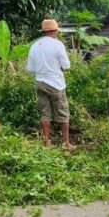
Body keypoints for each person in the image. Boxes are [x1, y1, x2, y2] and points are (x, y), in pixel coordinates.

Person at [26, 19, 75, 150]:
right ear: (54, 31)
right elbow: (66, 66)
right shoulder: (57, 45)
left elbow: (30, 68)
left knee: (45, 113)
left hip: (40, 83)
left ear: (44, 31)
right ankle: (65, 143)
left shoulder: (35, 45)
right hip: (56, 84)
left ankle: (47, 143)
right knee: (62, 112)